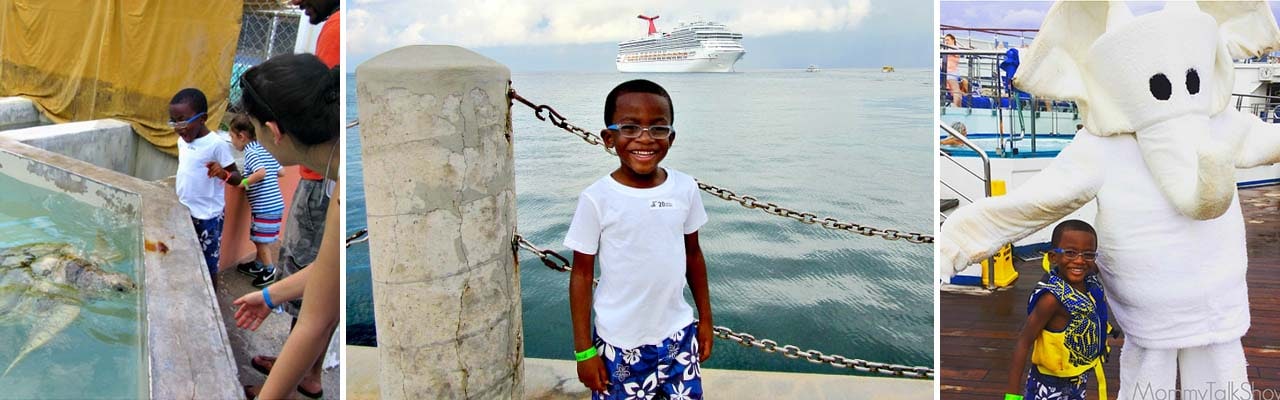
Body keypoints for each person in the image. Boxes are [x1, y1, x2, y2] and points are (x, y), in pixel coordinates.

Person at [564, 79, 713, 400]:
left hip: (679, 337)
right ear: (609, 137)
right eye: (630, 127)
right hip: (619, 344)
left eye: (658, 128)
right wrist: (584, 352)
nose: (644, 138)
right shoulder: (596, 199)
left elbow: (693, 255)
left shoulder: (685, 188)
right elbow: (581, 274)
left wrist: (705, 320)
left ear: (671, 137)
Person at [230, 53, 340, 400]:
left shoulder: (340, 187)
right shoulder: (335, 169)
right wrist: (268, 295)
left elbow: (315, 321)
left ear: (274, 131)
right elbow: (329, 271)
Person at [1007, 220, 1111, 400]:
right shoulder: (1051, 300)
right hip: (1048, 385)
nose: (1079, 260)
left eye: (1088, 254)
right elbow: (1023, 342)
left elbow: (1101, 265)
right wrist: (1011, 397)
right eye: (1070, 253)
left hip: (1078, 378)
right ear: (1053, 257)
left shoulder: (1089, 278)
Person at [208, 115, 286, 288]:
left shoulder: (251, 152)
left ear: (242, 136)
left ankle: (269, 271)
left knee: (260, 241)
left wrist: (243, 183)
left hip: (265, 206)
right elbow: (281, 172)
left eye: (232, 137)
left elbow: (261, 172)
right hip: (276, 204)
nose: (232, 142)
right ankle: (257, 266)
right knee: (261, 238)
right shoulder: (265, 149)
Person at [170, 88, 237, 283]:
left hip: (207, 216)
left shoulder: (216, 145)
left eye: (183, 120)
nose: (179, 128)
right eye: (174, 121)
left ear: (202, 118)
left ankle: (211, 306)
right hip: (185, 210)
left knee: (208, 265)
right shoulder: (182, 142)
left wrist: (223, 174)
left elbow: (237, 177)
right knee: (185, 256)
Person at [943, 34, 969, 107]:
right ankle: (958, 107)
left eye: (948, 40)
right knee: (955, 91)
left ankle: (956, 108)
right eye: (945, 40)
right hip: (948, 73)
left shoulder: (954, 48)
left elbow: (956, 53)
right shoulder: (948, 49)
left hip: (951, 73)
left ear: (953, 40)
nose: (946, 42)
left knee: (956, 91)